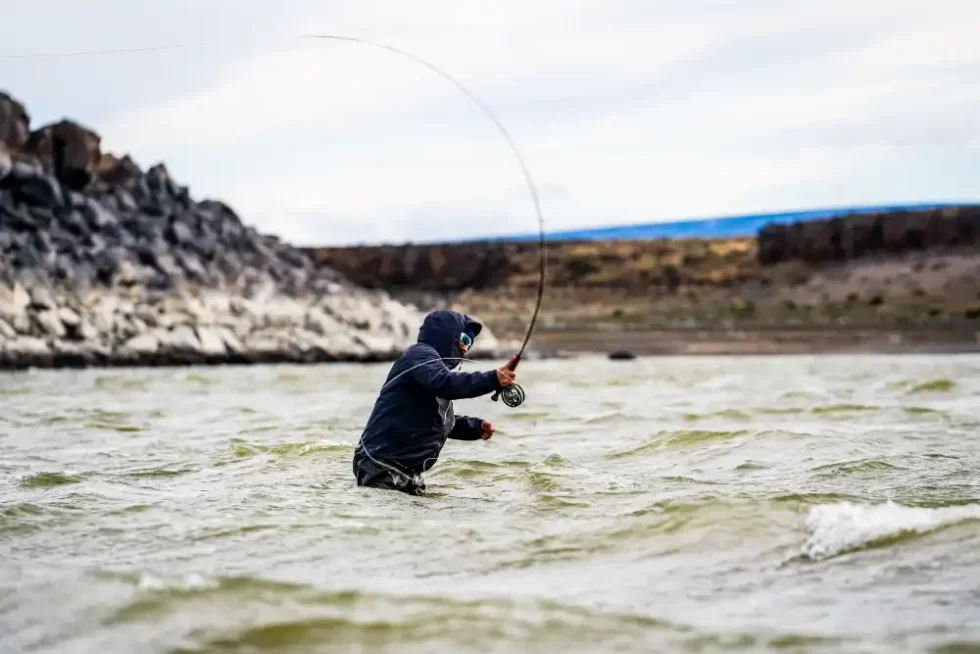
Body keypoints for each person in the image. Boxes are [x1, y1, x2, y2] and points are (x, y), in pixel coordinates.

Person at [352, 309, 517, 496]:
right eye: (463, 339)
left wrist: (475, 427)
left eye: (469, 343)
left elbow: (436, 420)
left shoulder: (434, 374)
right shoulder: (419, 355)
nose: (465, 349)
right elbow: (444, 384)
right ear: (446, 334)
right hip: (379, 463)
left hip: (406, 471)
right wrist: (493, 379)